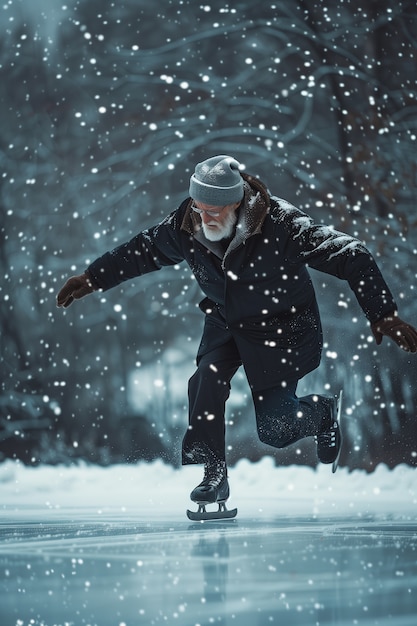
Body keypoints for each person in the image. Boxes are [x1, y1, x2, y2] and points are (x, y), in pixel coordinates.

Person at [57, 155, 417, 515]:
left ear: (237, 201)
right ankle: (213, 473)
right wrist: (94, 277)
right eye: (199, 207)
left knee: (275, 429)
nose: (204, 217)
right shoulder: (186, 223)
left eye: (213, 209)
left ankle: (321, 413)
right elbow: (144, 250)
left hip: (282, 327)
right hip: (226, 320)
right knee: (206, 380)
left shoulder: (281, 222)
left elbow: (350, 253)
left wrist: (382, 313)